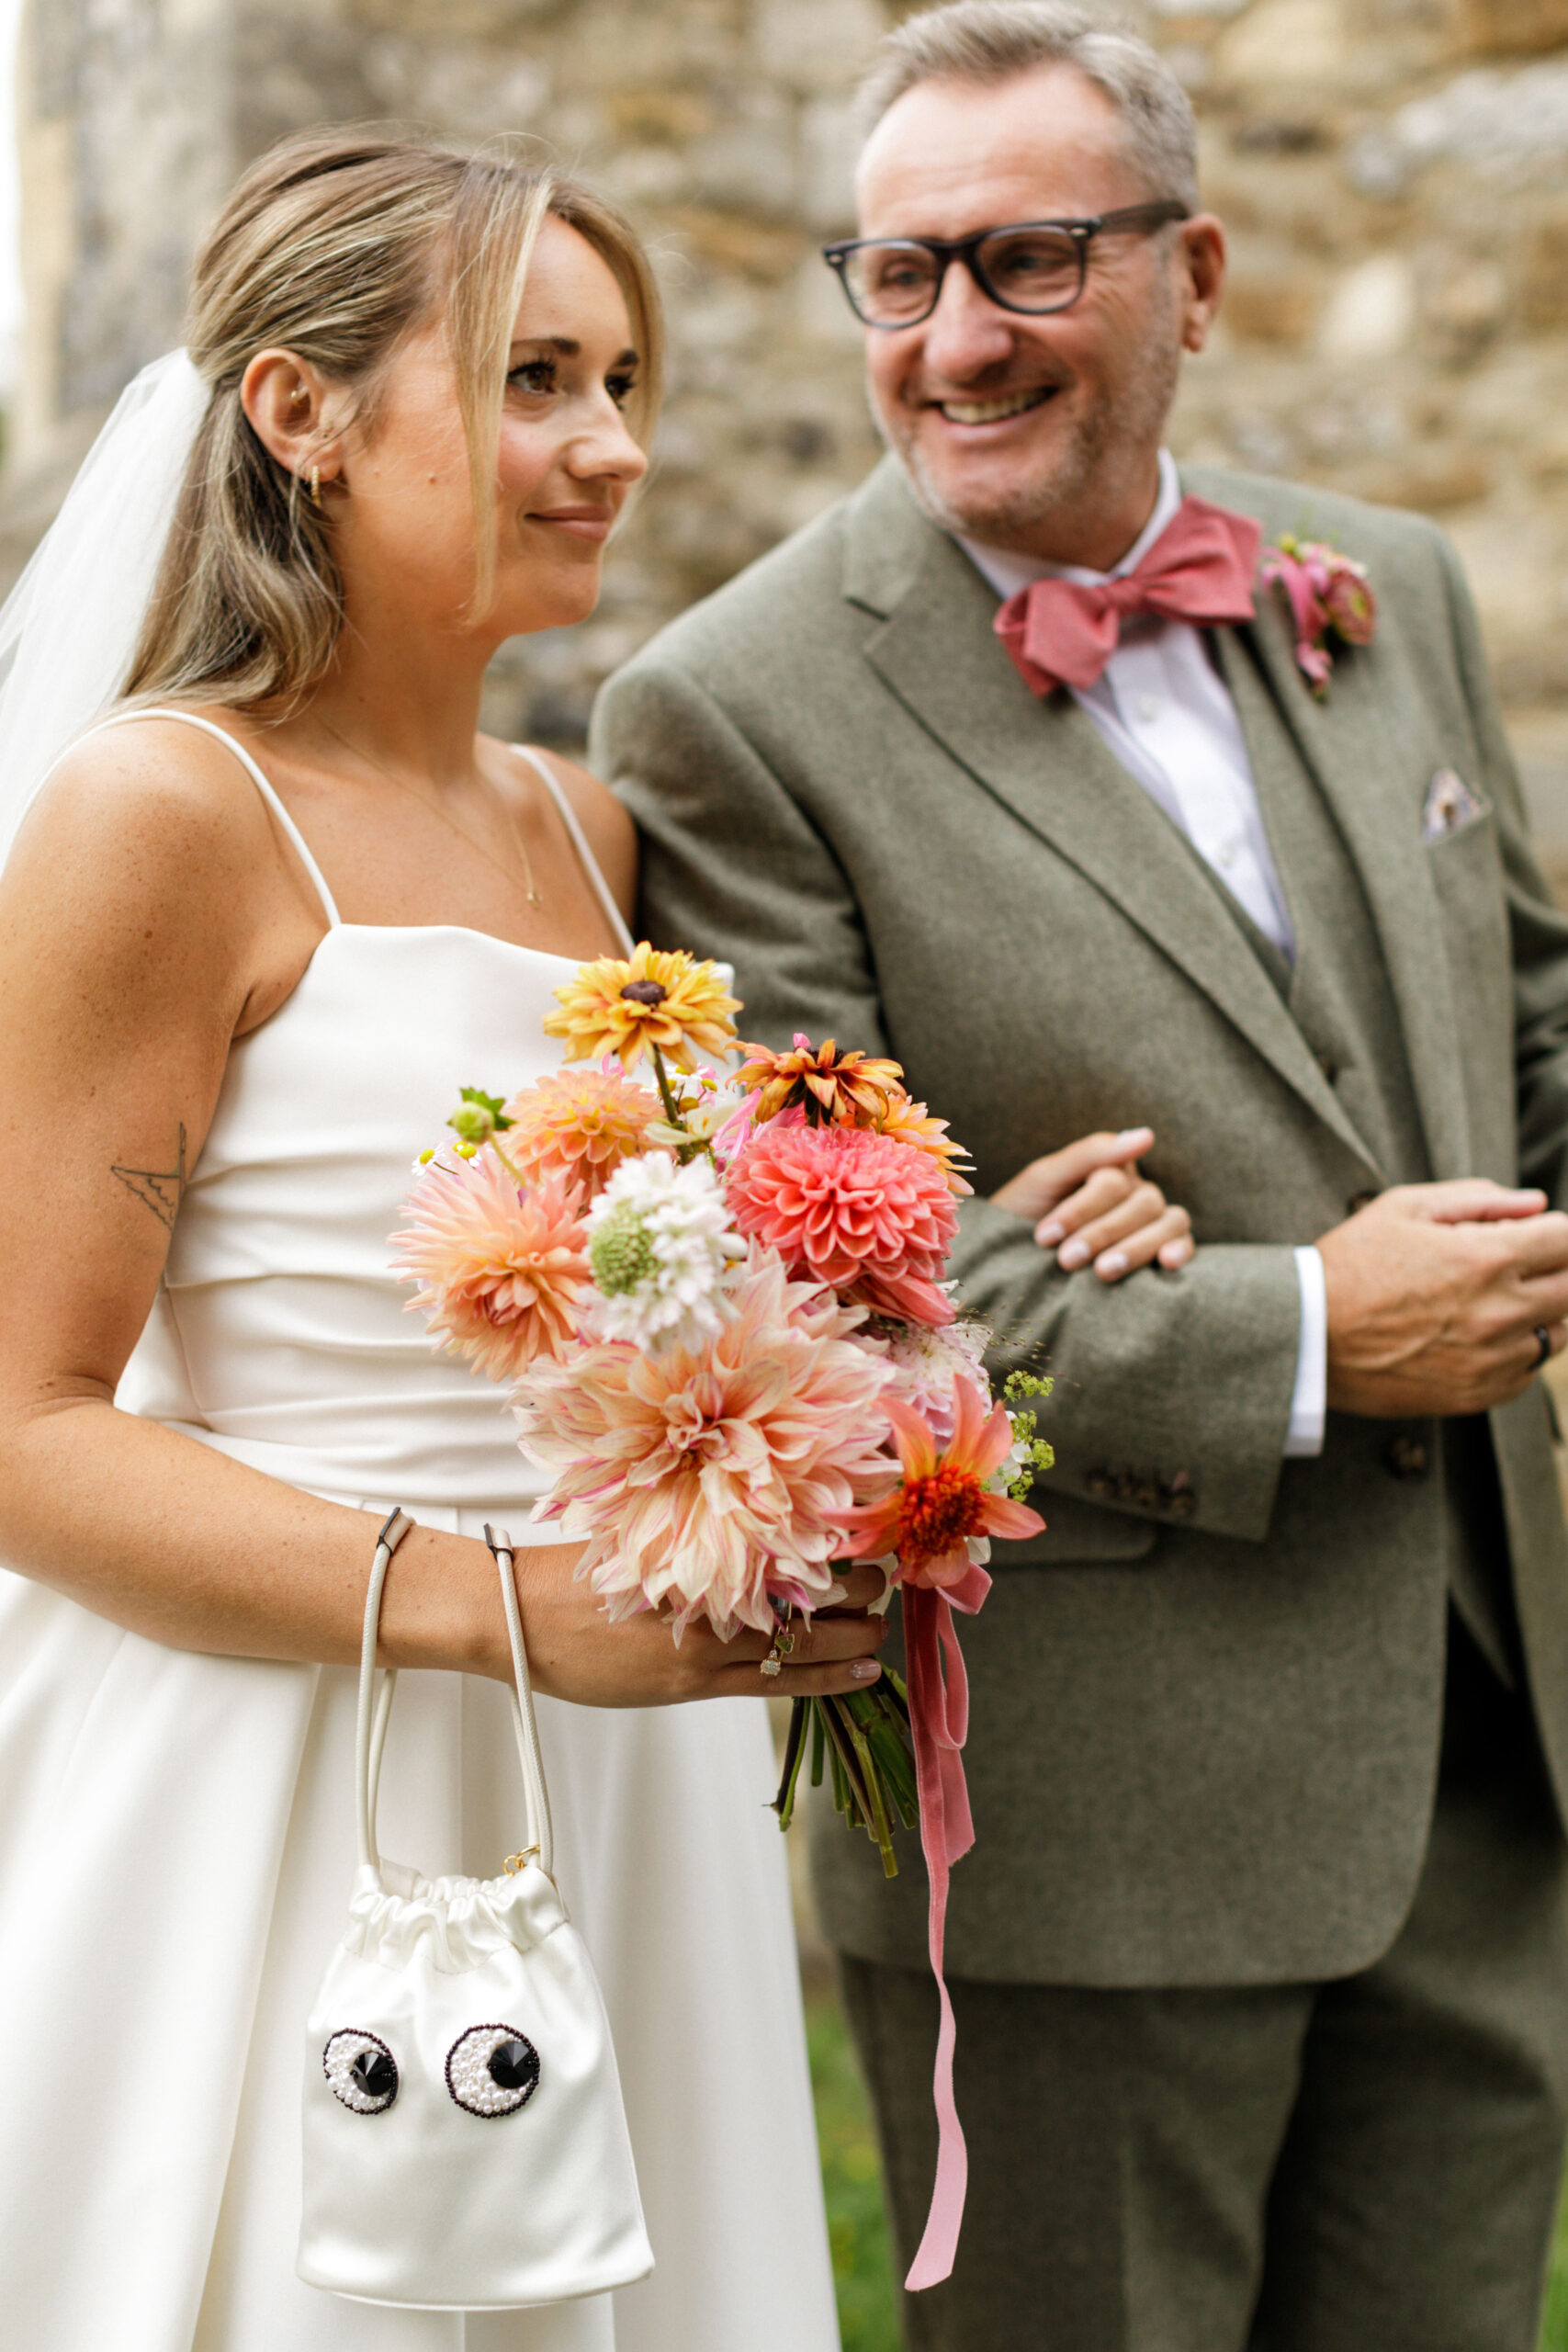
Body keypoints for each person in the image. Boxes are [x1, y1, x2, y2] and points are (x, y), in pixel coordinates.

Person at [0, 127, 1187, 2352]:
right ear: (300, 410)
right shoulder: (160, 813)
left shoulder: (585, 825)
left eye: (620, 380)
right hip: (284, 1763)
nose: (614, 445)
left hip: (619, 1769)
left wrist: (894, 1293)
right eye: (534, 378)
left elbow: (640, 1269)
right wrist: (509, 1613)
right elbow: (24, 1432)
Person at [593, 6, 1568, 2348]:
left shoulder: (1382, 583)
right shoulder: (725, 713)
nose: (953, 339)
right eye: (897, 273)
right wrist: (1313, 1328)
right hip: (1076, 1814)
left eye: (1027, 260)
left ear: (1191, 274)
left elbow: (1529, 1035)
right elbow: (816, 1297)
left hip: (1481, 1737)